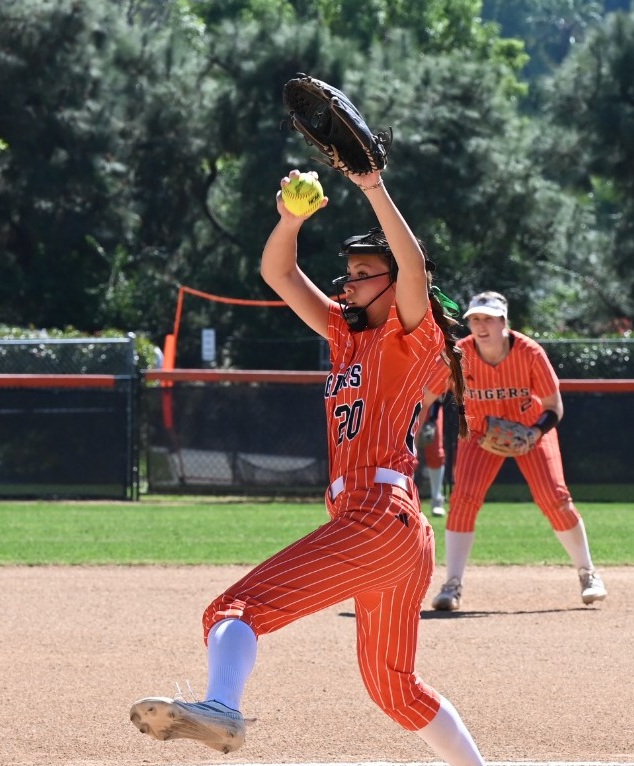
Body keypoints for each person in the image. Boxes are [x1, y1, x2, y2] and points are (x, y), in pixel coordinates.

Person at [129, 167, 485, 766]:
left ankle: (221, 707)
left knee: (231, 610)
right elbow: (277, 273)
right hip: (393, 535)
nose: (349, 283)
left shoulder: (409, 335)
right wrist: (290, 220)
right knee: (394, 690)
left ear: (395, 285)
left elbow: (415, 267)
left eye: (364, 274)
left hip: (377, 514)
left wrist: (372, 184)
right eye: (349, 273)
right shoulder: (346, 338)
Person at [427, 290, 607, 612]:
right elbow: (427, 396)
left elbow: (554, 406)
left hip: (528, 430)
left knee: (555, 497)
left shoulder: (529, 352)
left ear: (504, 322)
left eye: (489, 319)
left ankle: (588, 573)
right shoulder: (459, 354)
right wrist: (416, 424)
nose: (481, 326)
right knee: (463, 501)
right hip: (481, 433)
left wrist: (534, 432)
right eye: (475, 319)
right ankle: (452, 585)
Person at [415, 368, 451, 516]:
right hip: (404, 403)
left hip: (431, 406)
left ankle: (436, 498)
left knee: (436, 452)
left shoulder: (437, 350)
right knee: (403, 452)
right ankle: (403, 500)